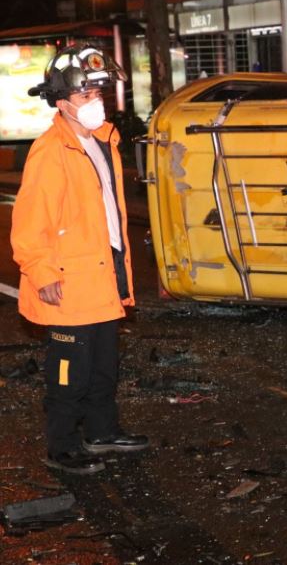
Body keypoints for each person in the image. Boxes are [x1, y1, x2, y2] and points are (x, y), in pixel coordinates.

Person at [11, 45, 149, 475]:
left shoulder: (103, 140)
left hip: (102, 273)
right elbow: (30, 221)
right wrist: (41, 271)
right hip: (68, 279)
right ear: (63, 101)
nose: (96, 102)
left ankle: (102, 430)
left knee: (104, 363)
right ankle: (62, 444)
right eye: (87, 95)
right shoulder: (52, 150)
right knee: (70, 369)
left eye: (99, 93)